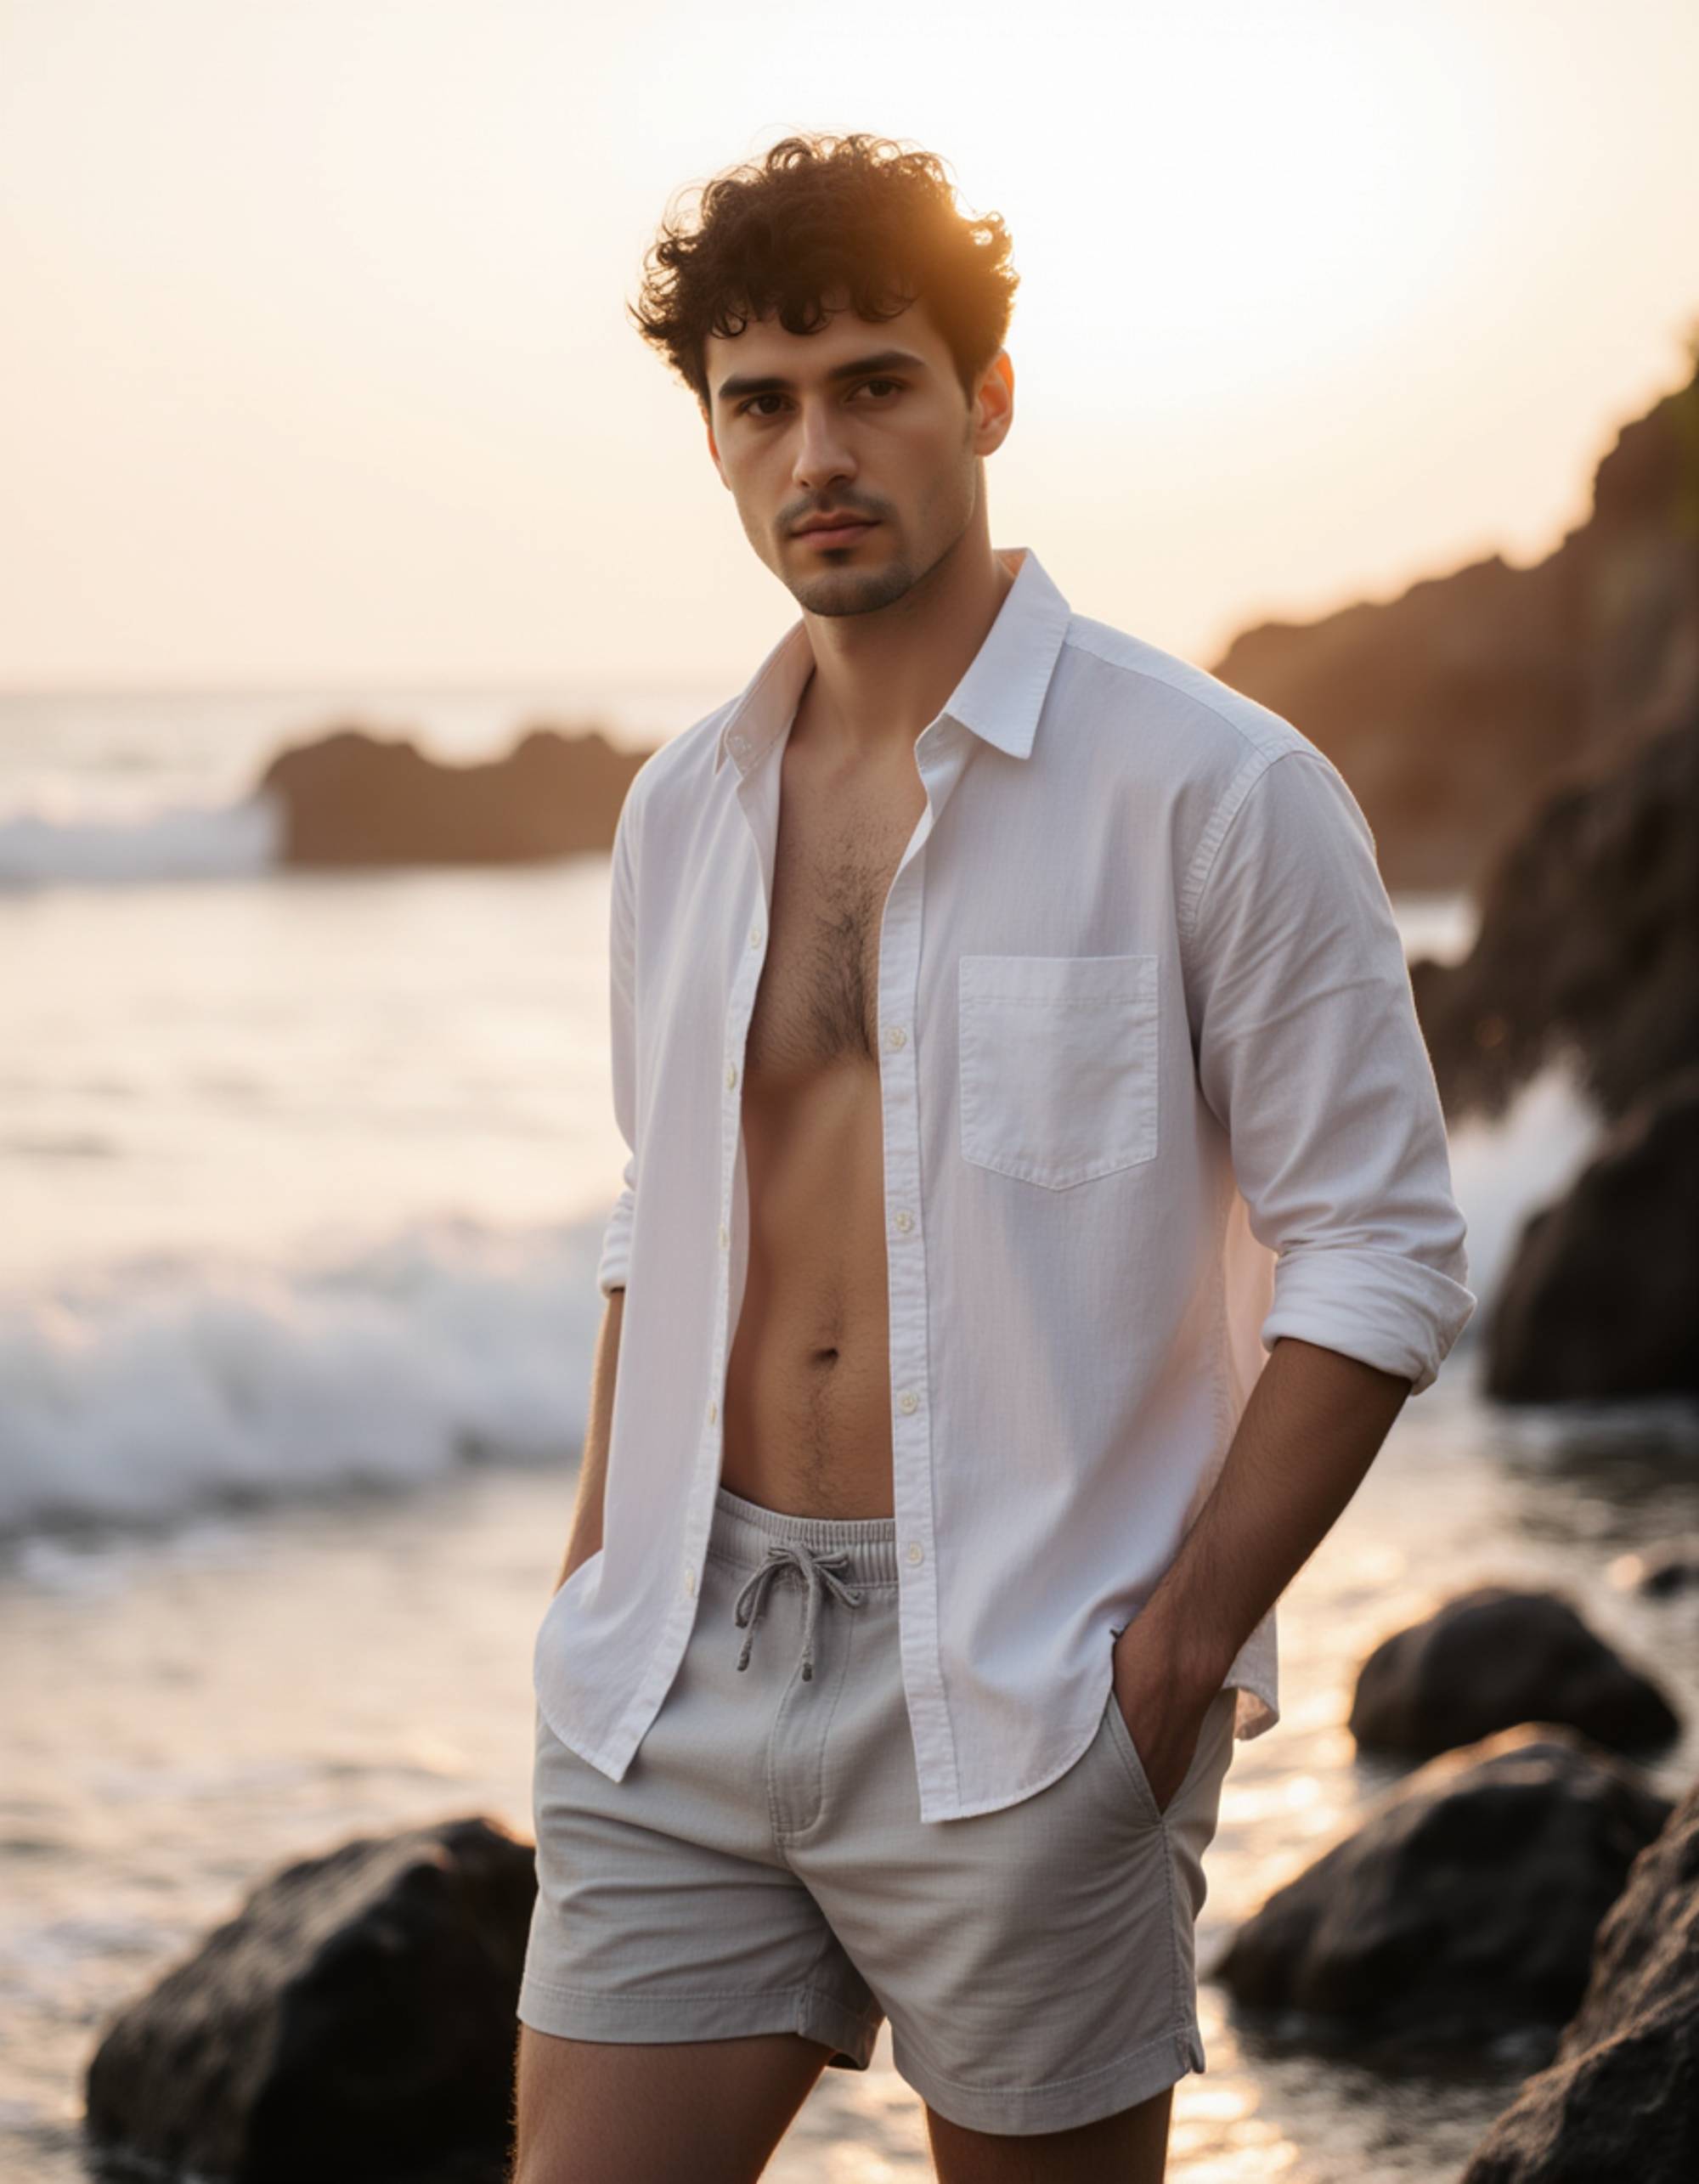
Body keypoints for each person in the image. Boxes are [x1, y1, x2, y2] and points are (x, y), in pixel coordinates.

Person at [509, 132, 1475, 2184]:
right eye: (758, 403)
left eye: (875, 381)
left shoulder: (1212, 788)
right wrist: (599, 1572)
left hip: (1034, 1685)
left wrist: (1174, 1658)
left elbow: (1377, 1245)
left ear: (988, 401)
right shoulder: (680, 814)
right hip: (675, 1668)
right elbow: (656, 1206)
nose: (815, 451)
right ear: (710, 436)